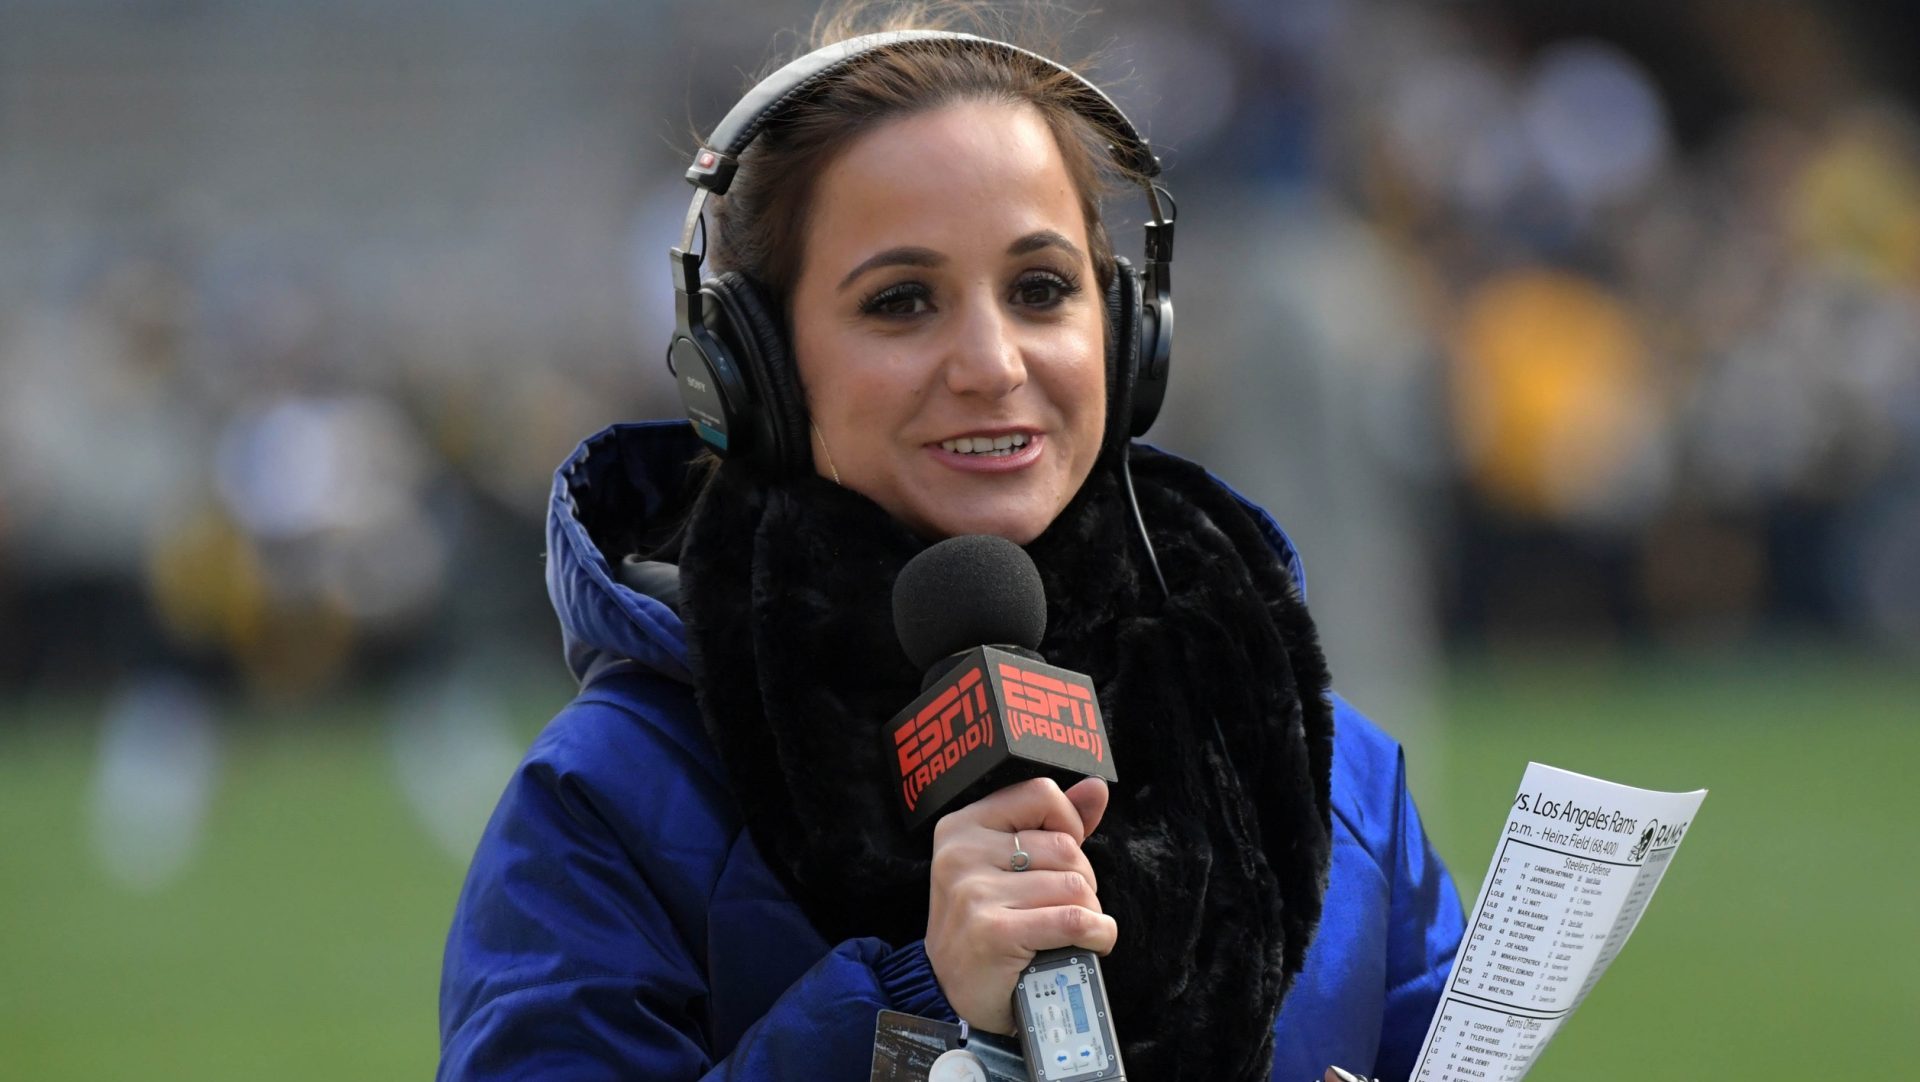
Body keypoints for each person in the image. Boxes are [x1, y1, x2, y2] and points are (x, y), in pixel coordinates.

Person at [437, 6, 1464, 1081]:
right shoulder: (611, 802)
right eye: (902, 301)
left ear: (1125, 333)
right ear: (753, 372)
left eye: (1039, 289)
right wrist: (910, 1005)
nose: (990, 361)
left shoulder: (1328, 769)